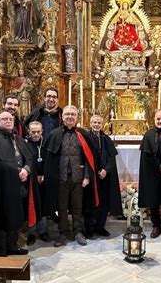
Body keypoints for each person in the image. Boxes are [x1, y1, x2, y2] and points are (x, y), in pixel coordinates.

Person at [42, 106, 98, 247]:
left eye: (73, 114)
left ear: (77, 117)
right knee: (61, 207)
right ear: (63, 116)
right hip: (60, 178)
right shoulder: (54, 134)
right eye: (67, 114)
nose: (70, 117)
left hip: (78, 178)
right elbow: (49, 158)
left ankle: (78, 231)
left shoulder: (83, 134)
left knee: (77, 206)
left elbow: (88, 159)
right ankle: (63, 233)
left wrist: (86, 176)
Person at [0, 112, 37, 256]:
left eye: (10, 119)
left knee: (16, 216)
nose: (8, 121)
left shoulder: (19, 139)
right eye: (4, 119)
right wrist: (16, 171)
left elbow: (29, 159)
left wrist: (26, 170)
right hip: (3, 187)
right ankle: (1, 248)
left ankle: (12, 245)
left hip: (19, 186)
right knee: (3, 216)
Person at [138, 110, 161, 238]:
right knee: (153, 199)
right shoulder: (148, 134)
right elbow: (147, 156)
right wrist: (160, 167)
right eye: (158, 119)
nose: (160, 121)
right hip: (153, 173)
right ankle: (156, 225)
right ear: (154, 119)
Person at [84, 115, 122, 238]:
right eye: (94, 122)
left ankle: (100, 226)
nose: (96, 124)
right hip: (91, 175)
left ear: (102, 124)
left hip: (103, 177)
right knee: (90, 202)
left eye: (99, 122)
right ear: (90, 123)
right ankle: (89, 228)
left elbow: (112, 158)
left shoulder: (106, 138)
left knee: (103, 202)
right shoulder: (85, 138)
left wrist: (106, 170)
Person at [25, 121, 52, 245]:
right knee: (32, 206)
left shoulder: (47, 143)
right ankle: (31, 233)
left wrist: (45, 175)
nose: (35, 134)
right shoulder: (24, 144)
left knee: (44, 206)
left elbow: (51, 161)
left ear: (42, 131)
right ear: (29, 132)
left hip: (45, 180)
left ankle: (43, 231)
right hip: (31, 181)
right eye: (33, 132)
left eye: (38, 132)